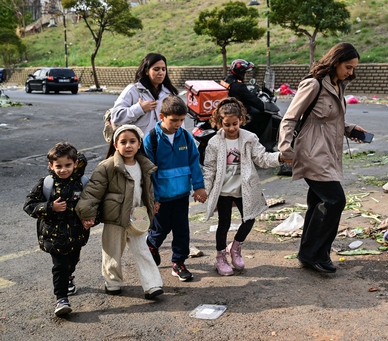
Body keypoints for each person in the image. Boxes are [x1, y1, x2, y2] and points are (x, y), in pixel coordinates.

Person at [278, 42, 368, 274]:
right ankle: (317, 254)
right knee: (335, 200)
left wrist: (349, 129)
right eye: (348, 67)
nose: (351, 72)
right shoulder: (313, 84)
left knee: (318, 203)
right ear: (335, 62)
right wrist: (286, 150)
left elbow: (329, 120)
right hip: (311, 154)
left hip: (328, 153)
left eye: (353, 68)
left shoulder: (339, 86)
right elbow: (289, 118)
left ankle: (308, 255)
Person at [202, 98, 288, 275]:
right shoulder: (214, 142)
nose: (231, 128)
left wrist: (279, 157)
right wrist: (204, 189)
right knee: (223, 223)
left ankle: (235, 248)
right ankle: (220, 257)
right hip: (223, 190)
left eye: (235, 123)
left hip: (244, 189)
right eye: (227, 124)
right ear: (220, 122)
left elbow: (262, 158)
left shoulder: (249, 138)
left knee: (249, 219)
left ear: (241, 119)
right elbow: (209, 168)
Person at [76, 125, 163, 299]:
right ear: (116, 145)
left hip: (137, 216)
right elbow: (92, 192)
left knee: (143, 250)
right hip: (114, 218)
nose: (128, 145)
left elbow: (147, 189)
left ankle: (152, 285)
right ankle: (113, 282)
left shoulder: (144, 165)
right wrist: (87, 214)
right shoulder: (107, 166)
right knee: (112, 251)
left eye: (132, 141)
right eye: (123, 142)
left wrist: (152, 203)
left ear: (139, 144)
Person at [143, 95, 206, 282]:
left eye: (181, 120)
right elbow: (149, 171)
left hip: (181, 195)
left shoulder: (186, 137)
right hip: (161, 196)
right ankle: (151, 246)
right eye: (174, 120)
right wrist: (152, 197)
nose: (178, 124)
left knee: (181, 230)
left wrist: (199, 187)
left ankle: (178, 262)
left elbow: (194, 163)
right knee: (161, 229)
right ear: (162, 116)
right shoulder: (151, 140)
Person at [24, 142, 90, 317]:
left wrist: (91, 220)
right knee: (59, 266)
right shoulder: (46, 184)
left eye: (67, 165)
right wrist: (49, 207)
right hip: (54, 236)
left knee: (72, 261)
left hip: (77, 235)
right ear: (51, 166)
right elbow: (29, 205)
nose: (63, 170)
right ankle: (61, 299)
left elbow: (93, 205)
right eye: (58, 166)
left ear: (75, 164)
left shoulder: (82, 183)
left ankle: (69, 277)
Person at [111, 53, 179, 136]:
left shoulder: (169, 93)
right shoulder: (133, 90)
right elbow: (116, 117)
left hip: (164, 144)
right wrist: (140, 109)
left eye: (163, 69)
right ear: (146, 71)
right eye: (156, 69)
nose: (161, 73)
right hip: (140, 144)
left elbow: (178, 119)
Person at [220, 59, 270, 139]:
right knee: (265, 116)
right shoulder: (240, 86)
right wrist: (264, 107)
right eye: (246, 72)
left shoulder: (227, 79)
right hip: (240, 110)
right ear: (241, 73)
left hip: (229, 106)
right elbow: (253, 100)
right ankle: (256, 139)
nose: (246, 74)